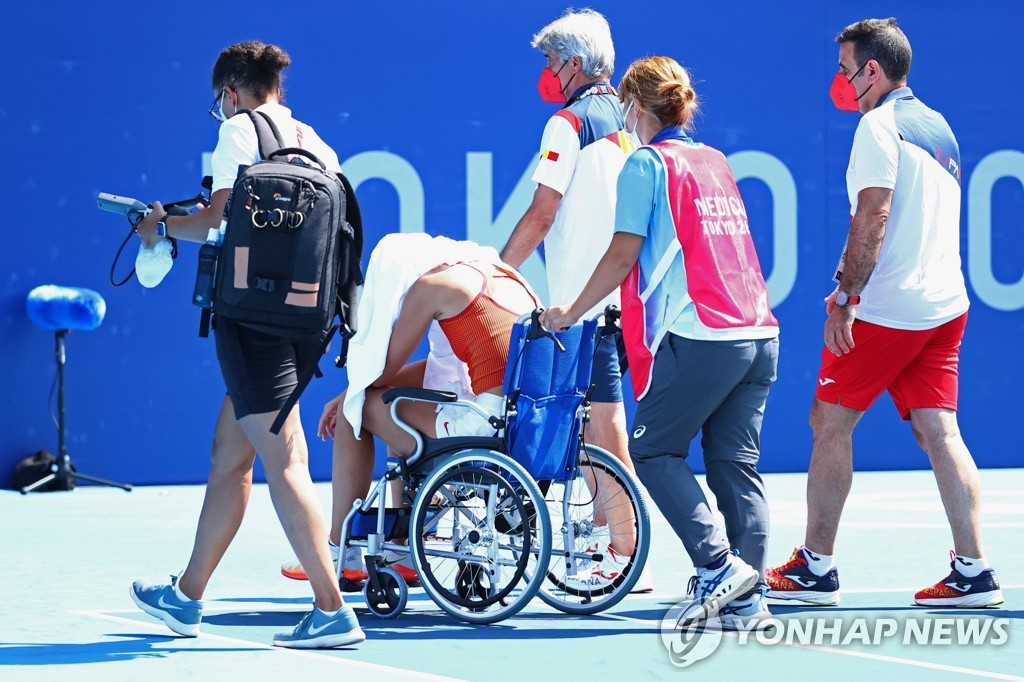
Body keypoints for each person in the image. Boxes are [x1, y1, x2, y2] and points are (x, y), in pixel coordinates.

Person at [127, 41, 365, 649]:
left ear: (232, 93)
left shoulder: (237, 130)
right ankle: (187, 596)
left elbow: (219, 216)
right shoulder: (318, 143)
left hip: (252, 317)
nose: (222, 109)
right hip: (308, 322)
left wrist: (158, 227)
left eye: (220, 101)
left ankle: (332, 608)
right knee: (230, 454)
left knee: (284, 461)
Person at [766, 18, 1003, 609]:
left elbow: (873, 216)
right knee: (939, 430)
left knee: (829, 420)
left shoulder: (877, 126)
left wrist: (847, 297)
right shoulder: (939, 127)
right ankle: (974, 571)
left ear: (872, 70)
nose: (840, 80)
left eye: (845, 68)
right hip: (945, 304)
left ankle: (815, 567)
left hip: (888, 308)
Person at [541, 55, 780, 629]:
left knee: (652, 451)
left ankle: (720, 569)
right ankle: (748, 598)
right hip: (759, 333)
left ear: (636, 106)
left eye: (625, 103)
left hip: (702, 334)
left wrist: (570, 310)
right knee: (734, 465)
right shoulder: (714, 159)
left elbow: (623, 253)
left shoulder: (644, 165)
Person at [279, 234, 539, 583]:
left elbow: (380, 371)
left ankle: (342, 551)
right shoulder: (503, 276)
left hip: (482, 430)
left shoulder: (431, 286)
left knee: (358, 408)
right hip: (522, 425)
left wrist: (348, 396)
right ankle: (402, 546)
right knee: (393, 399)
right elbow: (451, 368)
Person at [501, 8, 651, 591]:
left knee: (600, 432)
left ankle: (623, 548)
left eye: (550, 60)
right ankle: (616, 541)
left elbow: (541, 215)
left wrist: (494, 271)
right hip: (616, 303)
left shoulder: (567, 123)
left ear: (576, 64)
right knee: (599, 429)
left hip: (580, 309)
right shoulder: (629, 120)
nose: (547, 72)